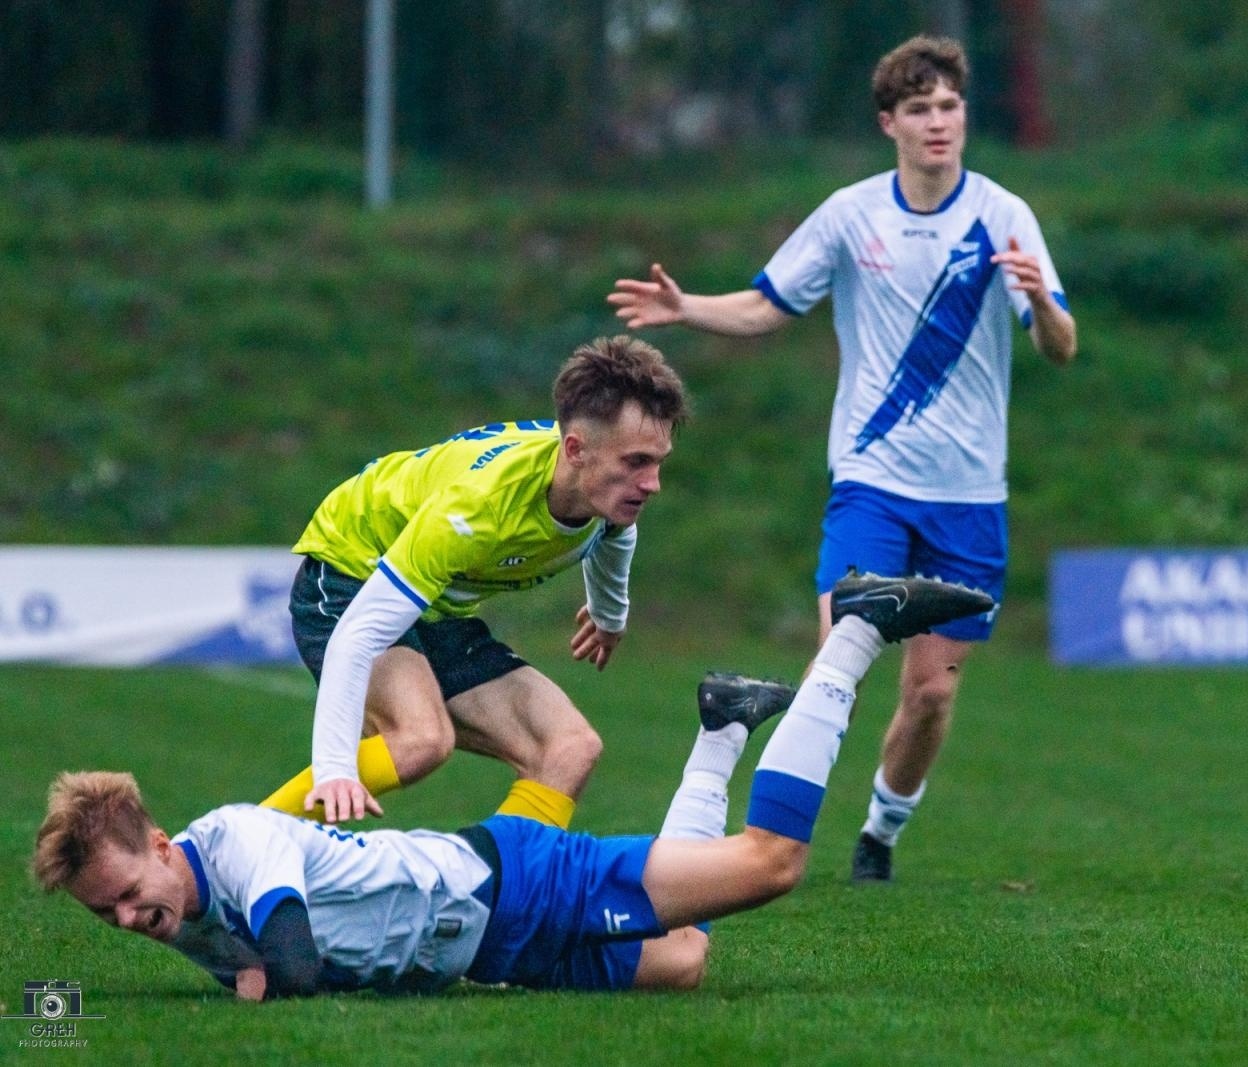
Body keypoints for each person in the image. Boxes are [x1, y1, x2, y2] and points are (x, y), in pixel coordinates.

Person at [33, 574, 993, 998]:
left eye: (124, 893)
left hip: (513, 882)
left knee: (771, 864)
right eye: (104, 914)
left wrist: (257, 982)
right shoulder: (177, 908)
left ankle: (858, 631)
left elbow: (291, 961)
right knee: (685, 960)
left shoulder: (238, 842)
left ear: (162, 844)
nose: (124, 919)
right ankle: (725, 725)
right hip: (492, 953)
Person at [608, 35, 1077, 882]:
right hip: (871, 482)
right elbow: (765, 306)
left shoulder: (1004, 216)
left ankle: (881, 830)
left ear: (964, 115)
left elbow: (1061, 346)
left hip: (970, 497)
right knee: (841, 656)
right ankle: (763, 845)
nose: (939, 122)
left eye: (950, 106)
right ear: (888, 122)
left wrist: (1041, 297)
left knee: (930, 694)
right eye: (921, 108)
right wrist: (687, 309)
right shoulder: (852, 214)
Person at [258, 335, 687, 831]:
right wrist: (334, 770)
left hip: (435, 603)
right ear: (575, 450)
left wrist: (610, 615)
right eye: (636, 462)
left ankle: (498, 895)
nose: (652, 483)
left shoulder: (601, 492)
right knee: (420, 739)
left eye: (658, 462)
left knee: (568, 747)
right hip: (352, 569)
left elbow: (615, 534)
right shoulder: (477, 510)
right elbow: (358, 636)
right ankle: (215, 858)